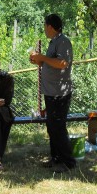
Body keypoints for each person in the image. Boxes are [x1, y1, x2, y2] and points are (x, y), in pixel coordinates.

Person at [29, 14, 76, 173]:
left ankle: (68, 161)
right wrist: (37, 60)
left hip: (60, 93)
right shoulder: (54, 42)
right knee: (52, 126)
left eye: (45, 26)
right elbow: (50, 62)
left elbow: (62, 63)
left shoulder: (63, 41)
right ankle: (55, 158)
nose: (44, 30)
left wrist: (42, 57)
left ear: (50, 26)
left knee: (58, 127)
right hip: (51, 91)